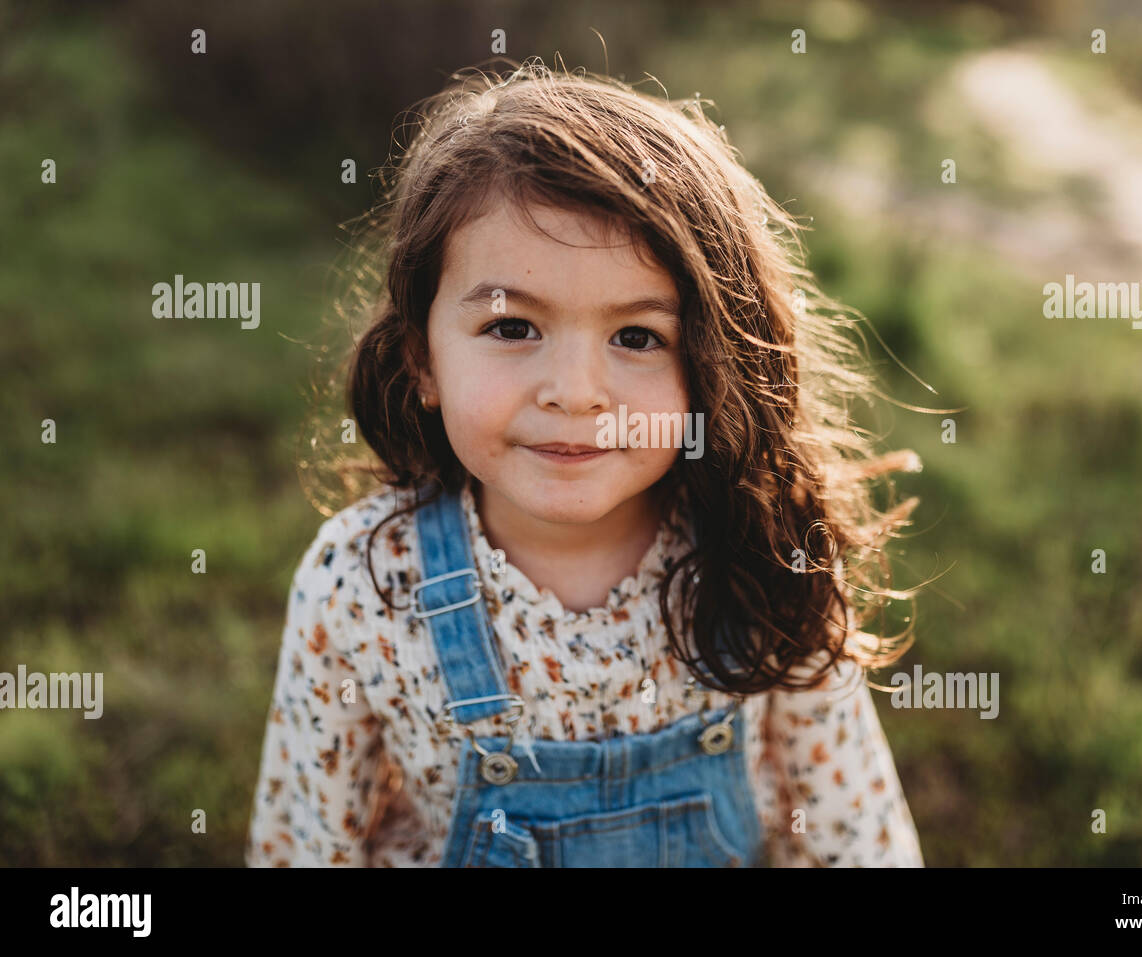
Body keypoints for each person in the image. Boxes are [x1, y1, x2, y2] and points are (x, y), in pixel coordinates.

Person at [245, 58, 925, 868]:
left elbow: (854, 834)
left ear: (714, 364)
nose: (574, 392)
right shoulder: (362, 585)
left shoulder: (762, 552)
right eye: (511, 327)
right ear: (422, 358)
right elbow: (306, 843)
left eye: (637, 336)